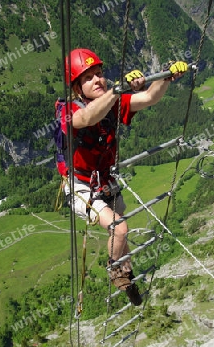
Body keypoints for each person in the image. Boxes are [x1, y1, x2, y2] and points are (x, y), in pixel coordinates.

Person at [62, 48, 188, 306]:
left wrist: (166, 77)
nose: (97, 80)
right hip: (80, 185)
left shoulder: (114, 102)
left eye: (99, 74)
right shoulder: (65, 110)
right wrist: (116, 91)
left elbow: (150, 98)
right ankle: (115, 271)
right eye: (88, 78)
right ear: (77, 89)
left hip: (104, 181)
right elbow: (86, 117)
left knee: (119, 229)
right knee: (119, 228)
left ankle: (126, 274)